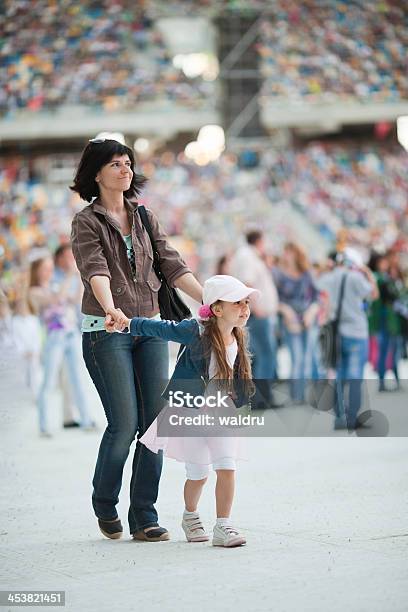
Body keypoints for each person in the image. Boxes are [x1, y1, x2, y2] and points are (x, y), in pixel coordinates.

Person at [70, 138, 202, 542]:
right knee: (124, 423)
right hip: (106, 332)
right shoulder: (86, 221)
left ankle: (144, 514)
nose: (125, 170)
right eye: (115, 164)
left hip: (148, 329)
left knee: (155, 426)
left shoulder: (144, 217)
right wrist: (111, 310)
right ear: (96, 173)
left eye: (128, 163)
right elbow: (95, 269)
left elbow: (172, 265)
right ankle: (104, 503)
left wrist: (210, 301)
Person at [108, 275, 258, 547]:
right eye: (237, 302)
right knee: (198, 474)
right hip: (191, 413)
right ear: (216, 308)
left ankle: (223, 526)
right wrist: (127, 323)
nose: (244, 307)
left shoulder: (238, 335)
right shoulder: (195, 331)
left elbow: (237, 376)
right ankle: (190, 515)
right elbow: (160, 328)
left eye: (246, 301)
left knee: (227, 466)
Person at [28, 255, 93, 437]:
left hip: (71, 334)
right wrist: (70, 276)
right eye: (45, 268)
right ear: (37, 271)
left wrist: (80, 277)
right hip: (54, 338)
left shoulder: (56, 285)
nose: (49, 272)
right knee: (48, 382)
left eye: (50, 267)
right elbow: (55, 301)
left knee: (77, 380)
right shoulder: (34, 291)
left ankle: (86, 419)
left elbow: (75, 300)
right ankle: (44, 425)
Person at [316, 248, 379, 429]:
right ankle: (352, 417)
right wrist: (366, 272)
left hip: (338, 333)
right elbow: (373, 293)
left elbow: (319, 287)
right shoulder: (355, 277)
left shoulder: (329, 278)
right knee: (355, 376)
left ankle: (339, 417)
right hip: (357, 331)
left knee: (340, 375)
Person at [230, 231, 280, 408]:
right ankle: (261, 397)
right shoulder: (247, 256)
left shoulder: (250, 255)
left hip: (259, 313)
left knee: (260, 355)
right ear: (259, 241)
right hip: (258, 314)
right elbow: (247, 283)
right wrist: (254, 308)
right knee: (265, 355)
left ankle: (261, 397)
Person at [273, 242, 320, 403]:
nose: (286, 254)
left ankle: (310, 395)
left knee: (310, 358)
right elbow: (275, 300)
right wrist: (286, 312)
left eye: (290, 251)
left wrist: (311, 313)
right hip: (290, 321)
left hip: (308, 319)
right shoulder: (278, 274)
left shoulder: (307, 273)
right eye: (285, 251)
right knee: (297, 358)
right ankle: (296, 396)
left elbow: (317, 298)